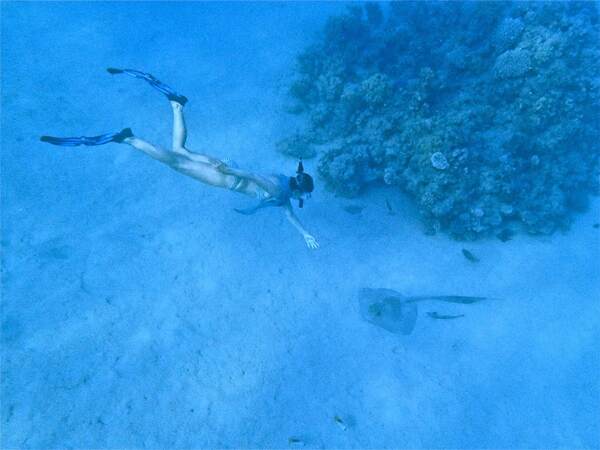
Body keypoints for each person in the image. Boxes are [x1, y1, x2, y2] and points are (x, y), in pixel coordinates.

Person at [41, 68, 319, 249]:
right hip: (225, 177)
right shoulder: (280, 191)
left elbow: (287, 211)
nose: (300, 201)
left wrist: (305, 233)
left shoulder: (284, 182)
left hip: (226, 167)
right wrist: (229, 171)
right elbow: (256, 180)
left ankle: (177, 105)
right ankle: (127, 137)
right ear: (298, 190)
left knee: (181, 150)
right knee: (175, 163)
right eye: (303, 196)